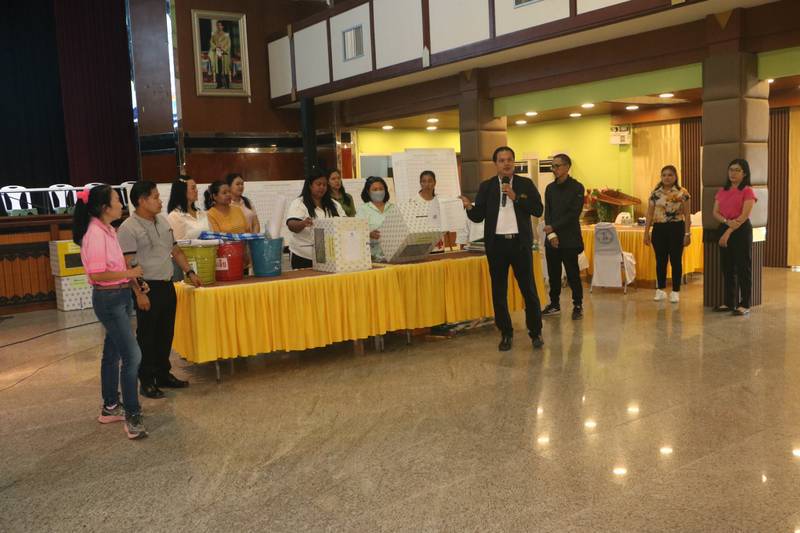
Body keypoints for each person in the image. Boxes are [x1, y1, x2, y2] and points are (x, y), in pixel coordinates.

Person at [73, 185, 147, 440]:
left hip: (120, 295)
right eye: (117, 200)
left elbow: (115, 266)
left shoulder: (108, 229)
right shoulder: (95, 233)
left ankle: (110, 406)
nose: (121, 204)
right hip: (109, 299)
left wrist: (134, 282)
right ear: (105, 207)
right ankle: (133, 415)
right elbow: (97, 274)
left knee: (113, 352)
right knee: (132, 356)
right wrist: (130, 273)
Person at [118, 181, 202, 399]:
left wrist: (190, 272)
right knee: (147, 336)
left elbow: (176, 250)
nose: (160, 201)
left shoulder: (163, 221)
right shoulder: (128, 228)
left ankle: (163, 374)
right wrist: (139, 293)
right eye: (155, 197)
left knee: (166, 332)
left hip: (167, 283)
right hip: (146, 286)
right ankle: (146, 380)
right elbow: (128, 264)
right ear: (141, 200)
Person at [459, 146, 545, 351]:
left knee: (529, 290)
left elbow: (537, 209)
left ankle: (535, 332)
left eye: (509, 160)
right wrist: (469, 206)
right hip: (496, 245)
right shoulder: (487, 186)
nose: (506, 164)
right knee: (499, 292)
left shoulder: (525, 184)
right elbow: (478, 216)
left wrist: (516, 197)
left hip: (519, 244)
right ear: (495, 164)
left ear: (513, 162)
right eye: (501, 160)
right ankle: (506, 333)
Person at [541, 154, 586, 320]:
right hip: (552, 239)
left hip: (570, 239)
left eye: (557, 166)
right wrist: (551, 234)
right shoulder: (550, 188)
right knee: (553, 274)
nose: (554, 169)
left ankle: (577, 305)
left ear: (567, 167)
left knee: (573, 274)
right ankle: (554, 304)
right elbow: (548, 213)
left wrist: (553, 227)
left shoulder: (577, 188)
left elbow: (573, 214)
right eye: (552, 166)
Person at [712, 158, 757, 316]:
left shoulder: (748, 191)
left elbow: (744, 216)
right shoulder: (722, 190)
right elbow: (715, 212)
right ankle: (729, 302)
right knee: (727, 267)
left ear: (744, 173)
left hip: (741, 229)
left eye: (737, 170)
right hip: (725, 225)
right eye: (731, 170)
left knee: (743, 267)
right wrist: (726, 222)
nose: (733, 173)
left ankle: (745, 304)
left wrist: (728, 231)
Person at [643, 165, 691, 303]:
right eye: (664, 175)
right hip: (659, 229)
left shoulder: (683, 193)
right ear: (661, 177)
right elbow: (650, 214)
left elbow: (687, 215)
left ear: (675, 177)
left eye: (670, 175)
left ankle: (675, 291)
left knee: (675, 260)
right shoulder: (655, 193)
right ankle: (660, 289)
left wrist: (687, 234)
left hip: (676, 228)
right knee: (660, 260)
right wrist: (646, 232)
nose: (667, 177)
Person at [286, 169, 342, 268]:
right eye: (318, 184)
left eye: (324, 185)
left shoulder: (334, 204)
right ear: (310, 185)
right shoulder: (299, 203)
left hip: (330, 256)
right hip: (303, 256)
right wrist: (303, 223)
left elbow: (345, 221)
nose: (322, 187)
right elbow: (291, 225)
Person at [356, 176, 395, 262]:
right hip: (372, 258)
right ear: (368, 192)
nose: (378, 191)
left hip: (394, 255)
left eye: (381, 189)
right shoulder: (363, 209)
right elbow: (356, 232)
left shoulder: (393, 208)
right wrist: (368, 234)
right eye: (375, 189)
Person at [167, 175, 209, 240]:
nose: (196, 190)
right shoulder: (175, 216)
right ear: (182, 191)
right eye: (193, 188)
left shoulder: (201, 212)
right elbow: (178, 243)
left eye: (196, 188)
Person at [411, 170, 445, 252]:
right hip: (421, 245)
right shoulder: (413, 202)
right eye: (424, 181)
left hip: (438, 245)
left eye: (430, 181)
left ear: (435, 183)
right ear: (420, 183)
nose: (427, 184)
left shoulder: (440, 200)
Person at [209, 20, 231, 89]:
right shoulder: (214, 34)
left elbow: (228, 44)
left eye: (220, 25)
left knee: (225, 69)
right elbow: (211, 42)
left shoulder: (226, 35)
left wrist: (223, 49)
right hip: (217, 53)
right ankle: (219, 84)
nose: (218, 26)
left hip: (224, 54)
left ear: (222, 26)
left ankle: (227, 84)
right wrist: (216, 47)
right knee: (218, 68)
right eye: (217, 25)